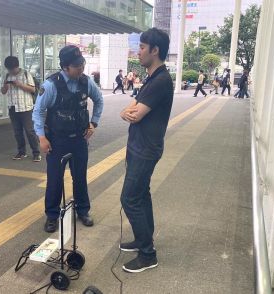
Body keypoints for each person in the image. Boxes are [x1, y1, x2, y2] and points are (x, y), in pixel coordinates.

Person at [119, 28, 173, 273]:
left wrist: (128, 113)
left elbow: (136, 113)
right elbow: (130, 108)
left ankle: (148, 254)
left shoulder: (160, 80)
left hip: (145, 149)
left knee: (129, 198)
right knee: (141, 194)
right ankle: (143, 240)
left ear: (155, 50)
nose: (137, 52)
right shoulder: (153, 77)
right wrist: (126, 112)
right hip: (140, 146)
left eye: (142, 48)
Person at [33, 45, 104, 233]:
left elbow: (99, 100)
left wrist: (93, 123)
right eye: (76, 66)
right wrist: (42, 137)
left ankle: (83, 211)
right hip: (56, 140)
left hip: (79, 140)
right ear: (65, 67)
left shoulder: (86, 82)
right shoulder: (50, 86)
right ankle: (52, 215)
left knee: (80, 177)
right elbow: (38, 112)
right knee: (55, 179)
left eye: (82, 64)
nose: (81, 69)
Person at [1, 56, 41, 162]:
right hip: (12, 107)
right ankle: (21, 152)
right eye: (9, 69)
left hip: (25, 107)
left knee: (29, 131)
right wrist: (5, 86)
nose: (11, 71)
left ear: (17, 66)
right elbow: (3, 91)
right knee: (17, 131)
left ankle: (36, 152)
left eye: (12, 69)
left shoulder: (26, 74)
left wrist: (20, 85)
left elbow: (32, 89)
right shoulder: (7, 76)